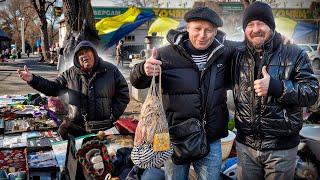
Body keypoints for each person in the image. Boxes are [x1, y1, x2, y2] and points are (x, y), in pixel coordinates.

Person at [130, 7, 234, 180]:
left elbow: (252, 48)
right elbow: (136, 81)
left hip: (211, 137)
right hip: (174, 138)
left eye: (209, 30)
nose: (203, 35)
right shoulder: (165, 54)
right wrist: (143, 69)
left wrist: (279, 41)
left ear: (216, 32)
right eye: (197, 29)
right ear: (187, 28)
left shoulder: (224, 53)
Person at [230, 2, 319, 180]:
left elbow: (312, 93)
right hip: (246, 146)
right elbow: (207, 37)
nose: (255, 29)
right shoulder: (236, 54)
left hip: (282, 149)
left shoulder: (295, 53)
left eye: (261, 23)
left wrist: (276, 87)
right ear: (244, 29)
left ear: (271, 26)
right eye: (250, 24)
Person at [17, 40, 130, 139]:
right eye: (80, 53)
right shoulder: (70, 73)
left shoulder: (111, 70)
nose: (84, 55)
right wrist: (33, 79)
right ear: (76, 58)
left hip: (103, 128)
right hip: (75, 127)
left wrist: (113, 115)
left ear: (94, 53)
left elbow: (123, 94)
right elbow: (53, 88)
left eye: (87, 51)